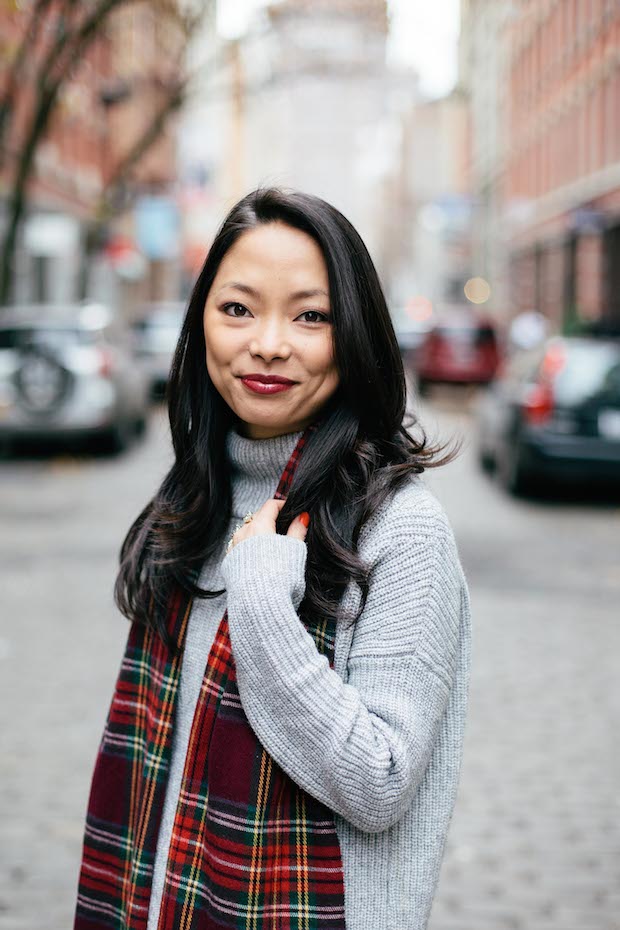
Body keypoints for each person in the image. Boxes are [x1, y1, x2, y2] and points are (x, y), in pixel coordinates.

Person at [74, 188, 471, 930]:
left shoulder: (402, 529)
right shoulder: (194, 499)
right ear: (202, 324)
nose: (268, 343)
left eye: (310, 315)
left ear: (355, 335)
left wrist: (260, 600)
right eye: (238, 309)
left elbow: (379, 784)